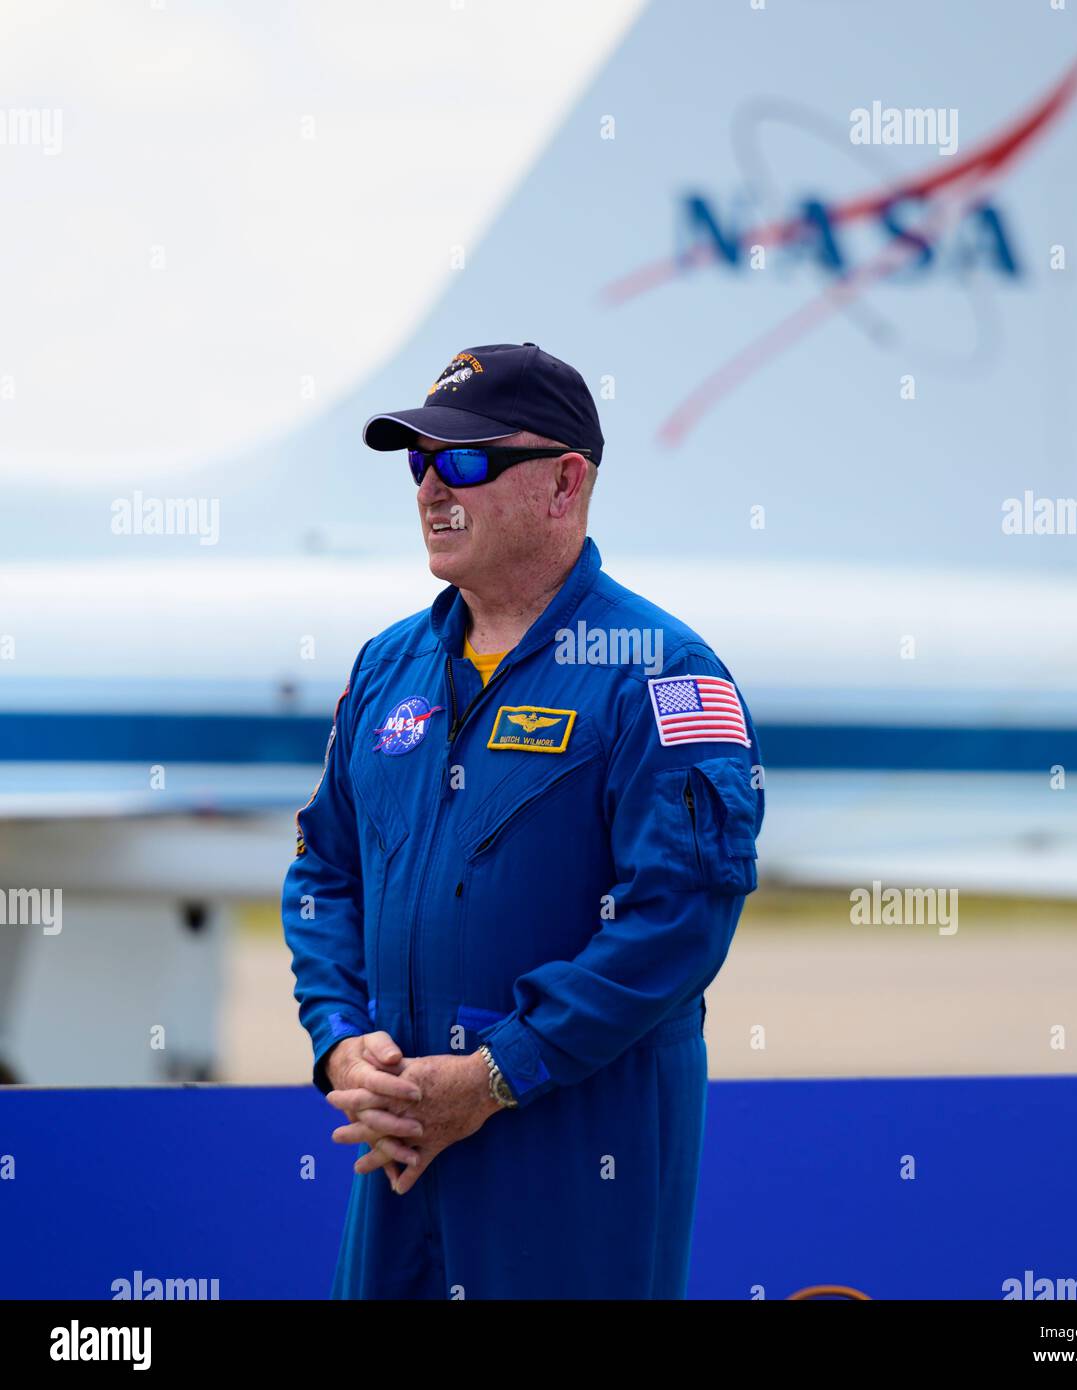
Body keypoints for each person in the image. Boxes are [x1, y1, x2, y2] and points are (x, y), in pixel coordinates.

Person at [283, 342, 763, 1299]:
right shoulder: (387, 670)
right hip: (402, 1162)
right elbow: (324, 874)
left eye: (465, 461)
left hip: (574, 1167)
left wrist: (497, 1073)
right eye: (418, 462)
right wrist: (341, 1038)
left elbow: (676, 924)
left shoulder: (661, 672)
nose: (431, 488)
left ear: (564, 483)